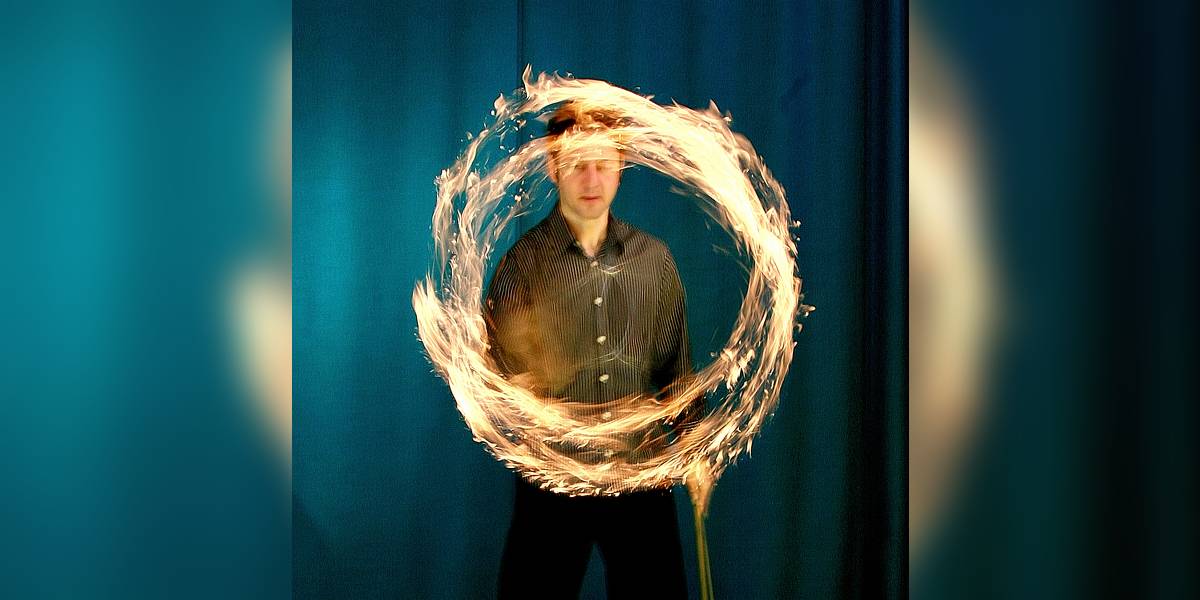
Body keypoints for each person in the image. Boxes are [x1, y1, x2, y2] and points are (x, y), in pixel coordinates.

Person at [484, 101, 701, 599]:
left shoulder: (654, 260)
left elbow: (676, 372)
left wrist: (694, 447)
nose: (591, 178)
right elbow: (500, 378)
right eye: (578, 163)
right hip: (554, 478)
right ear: (553, 167)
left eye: (603, 163)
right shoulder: (522, 266)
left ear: (622, 167)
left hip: (639, 473)